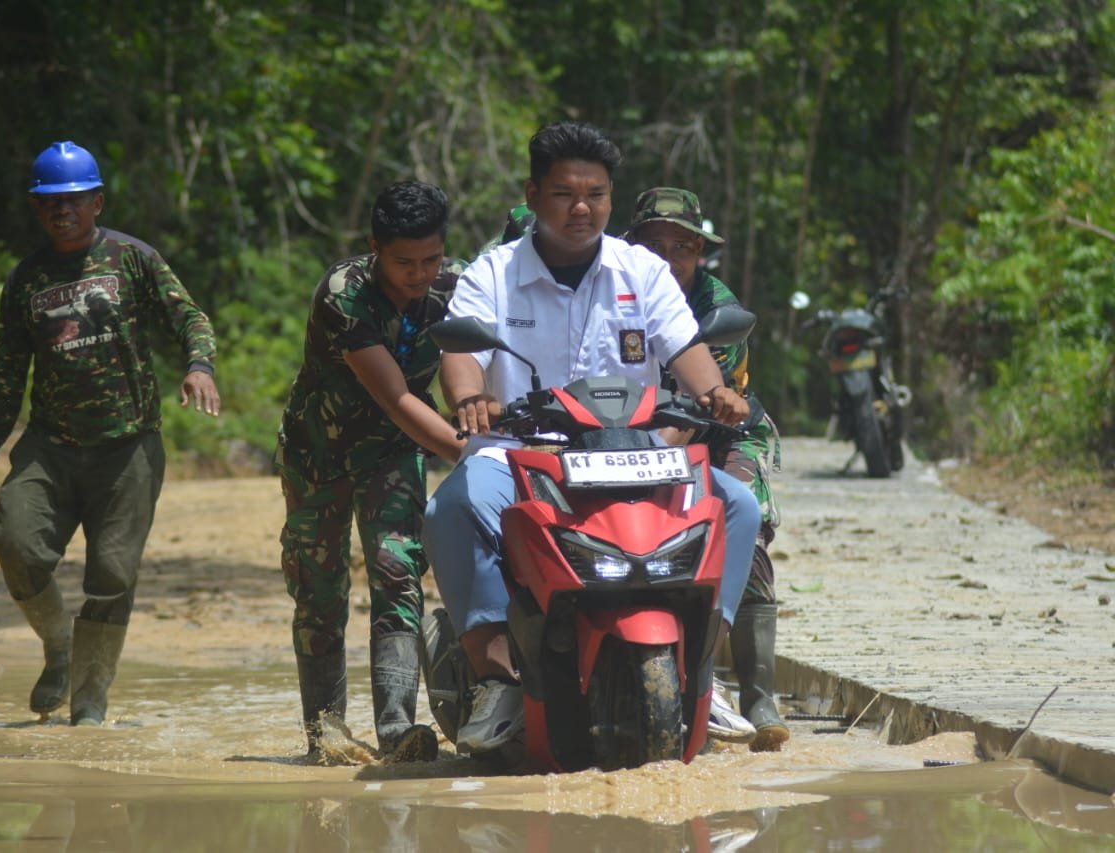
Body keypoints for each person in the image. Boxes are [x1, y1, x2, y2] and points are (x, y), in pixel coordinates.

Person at [422, 121, 762, 756]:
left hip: (634, 451)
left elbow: (684, 346)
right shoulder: (492, 273)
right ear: (533, 193)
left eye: (596, 195)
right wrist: (470, 398)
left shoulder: (642, 270)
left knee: (736, 506)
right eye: (564, 194)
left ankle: (703, 675)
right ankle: (496, 677)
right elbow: (461, 347)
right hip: (524, 453)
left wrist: (714, 391)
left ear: (611, 197)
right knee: (454, 504)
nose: (582, 209)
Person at [0, 140, 220, 726]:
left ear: (96, 202)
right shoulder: (26, 280)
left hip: (128, 449)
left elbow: (191, 318)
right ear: (36, 209)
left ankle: (89, 708)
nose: (62, 211)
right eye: (50, 203)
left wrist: (198, 365)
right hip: (50, 446)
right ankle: (59, 647)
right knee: (15, 542)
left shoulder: (133, 258)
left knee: (113, 577)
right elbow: (5, 371)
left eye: (74, 200)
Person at [276, 181, 466, 763]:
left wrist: (472, 419)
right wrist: (472, 452)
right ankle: (325, 735)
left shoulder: (456, 286)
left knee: (396, 568)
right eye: (403, 261)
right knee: (320, 587)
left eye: (430, 259)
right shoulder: (344, 294)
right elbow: (395, 397)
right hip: (319, 456)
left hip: (392, 454)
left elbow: (462, 361)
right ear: (374, 248)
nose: (419, 274)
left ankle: (395, 732)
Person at [625, 187, 790, 751]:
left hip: (724, 434)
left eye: (684, 247)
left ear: (700, 253)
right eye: (656, 245)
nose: (670, 259)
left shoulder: (718, 307)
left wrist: (636, 459)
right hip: (635, 437)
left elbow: (703, 408)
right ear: (632, 247)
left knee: (742, 531)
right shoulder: (614, 291)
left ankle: (757, 696)